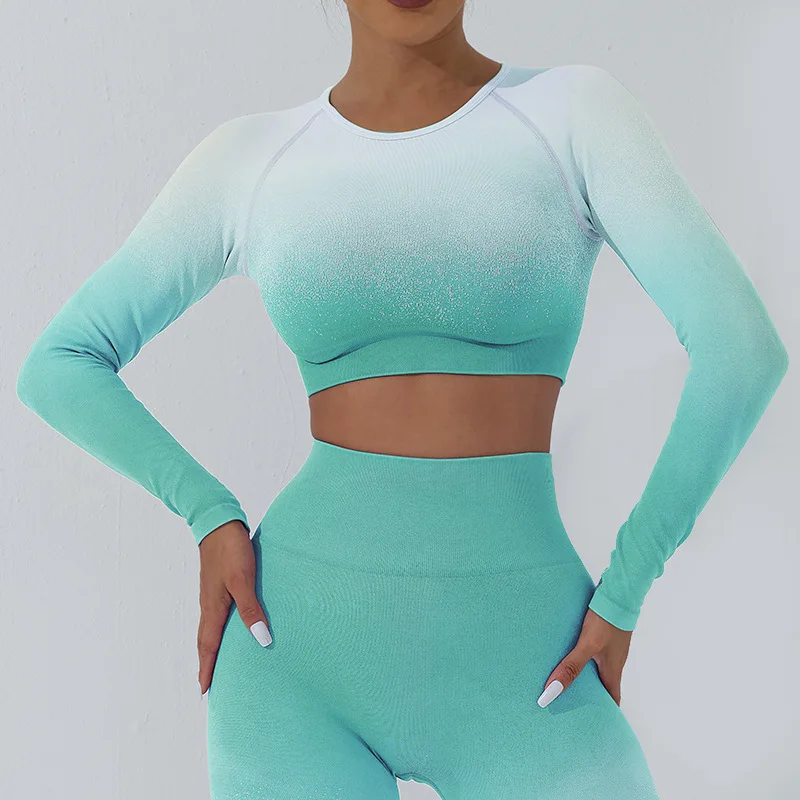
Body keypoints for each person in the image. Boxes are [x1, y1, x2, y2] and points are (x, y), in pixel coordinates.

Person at [16, 1, 788, 798]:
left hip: (531, 674)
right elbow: (61, 362)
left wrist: (627, 590)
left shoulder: (572, 116)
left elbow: (742, 352)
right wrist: (208, 513)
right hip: (295, 664)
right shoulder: (253, 158)